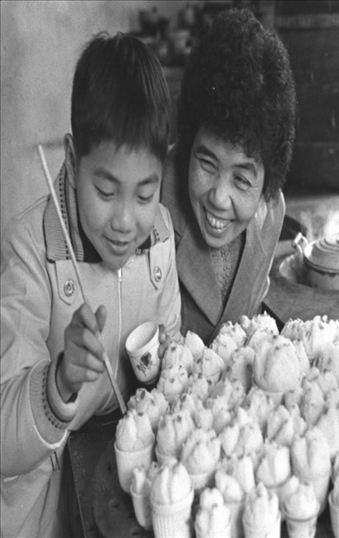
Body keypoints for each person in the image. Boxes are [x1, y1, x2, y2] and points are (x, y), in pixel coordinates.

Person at [0, 32, 181, 538]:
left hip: (124, 498)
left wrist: (167, 365)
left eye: (144, 195)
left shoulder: (161, 237)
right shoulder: (29, 249)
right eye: (105, 190)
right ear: (73, 158)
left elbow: (170, 369)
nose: (125, 221)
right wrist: (58, 383)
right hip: (40, 515)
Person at [162, 7, 297, 343]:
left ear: (266, 181)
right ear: (189, 141)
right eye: (207, 164)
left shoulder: (272, 213)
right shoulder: (151, 200)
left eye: (241, 180)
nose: (219, 198)